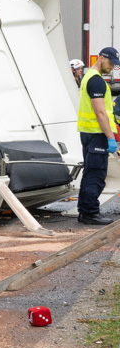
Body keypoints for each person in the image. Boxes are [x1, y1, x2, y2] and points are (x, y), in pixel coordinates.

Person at [77, 47, 120, 225]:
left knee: (90, 172)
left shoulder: (89, 77)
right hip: (97, 134)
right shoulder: (96, 81)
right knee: (96, 174)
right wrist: (110, 138)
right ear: (101, 58)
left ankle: (85, 210)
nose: (112, 67)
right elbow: (100, 112)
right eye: (110, 63)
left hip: (89, 133)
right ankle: (90, 213)